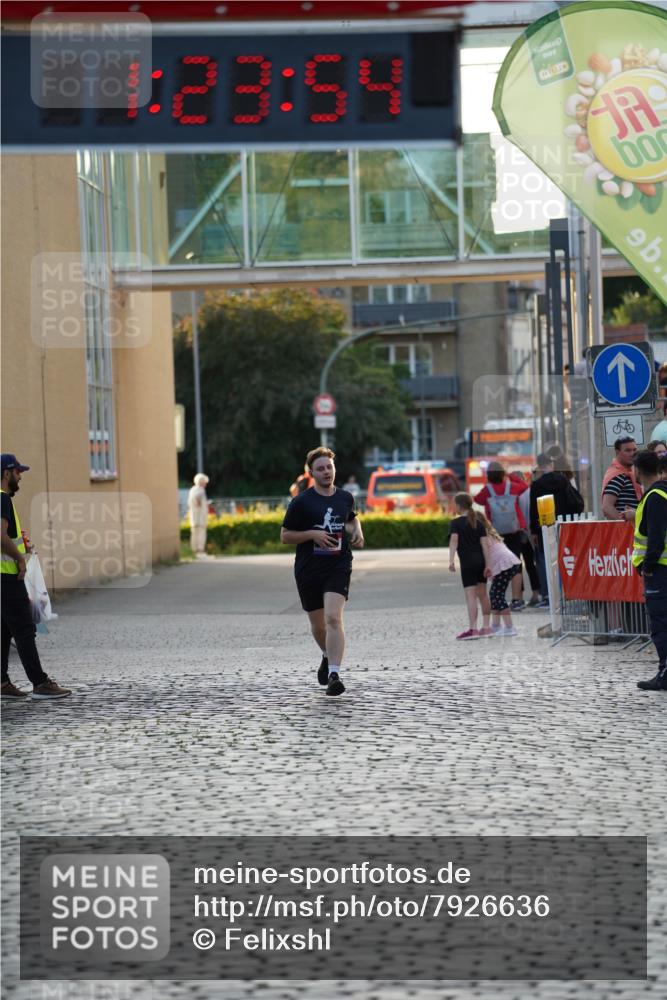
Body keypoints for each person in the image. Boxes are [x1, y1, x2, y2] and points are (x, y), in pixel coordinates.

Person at [280, 447, 364, 697]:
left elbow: (350, 518)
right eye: (320, 468)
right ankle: (327, 655)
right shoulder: (301, 502)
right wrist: (312, 534)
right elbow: (285, 535)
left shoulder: (345, 497)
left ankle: (335, 674)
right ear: (311, 473)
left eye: (329, 467)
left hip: (338, 565)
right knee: (318, 626)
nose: (326, 472)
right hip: (309, 569)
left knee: (333, 618)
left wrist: (358, 528)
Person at [1, 454, 71, 700]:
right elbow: (0, 536)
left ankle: (1, 683)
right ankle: (40, 683)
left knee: (4, 629)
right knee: (24, 628)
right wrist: (20, 559)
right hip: (8, 578)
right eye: (18, 472)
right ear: (7, 473)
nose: (20, 476)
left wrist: (21, 545)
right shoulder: (2, 499)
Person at [473, 461, 533, 610]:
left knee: (498, 562)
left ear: (488, 475)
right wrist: (511, 476)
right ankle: (517, 599)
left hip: (496, 532)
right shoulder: (512, 487)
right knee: (516, 562)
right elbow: (525, 487)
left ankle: (498, 596)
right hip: (514, 530)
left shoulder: (488, 490)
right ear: (502, 474)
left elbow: (477, 499)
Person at [529, 453, 585, 608]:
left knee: (546, 560)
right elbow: (576, 502)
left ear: (539, 466)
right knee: (565, 557)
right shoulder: (563, 480)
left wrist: (534, 530)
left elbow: (534, 510)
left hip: (545, 526)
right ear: (552, 464)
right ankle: (567, 592)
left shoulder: (537, 485)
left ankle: (549, 596)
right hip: (564, 525)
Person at [632, 450, 667, 692]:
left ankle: (664, 673)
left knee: (661, 624)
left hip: (660, 572)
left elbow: (656, 538)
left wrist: (648, 566)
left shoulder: (655, 496)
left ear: (637, 471)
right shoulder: (662, 492)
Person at [448, 493, 493, 640]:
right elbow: (485, 545)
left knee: (471, 596)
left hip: (467, 563)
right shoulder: (478, 523)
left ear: (459, 506)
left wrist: (451, 561)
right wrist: (488, 565)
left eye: (455, 504)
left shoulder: (455, 523)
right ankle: (486, 628)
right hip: (481, 562)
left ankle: (473, 630)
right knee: (483, 595)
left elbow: (454, 541)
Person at [601, 437, 641, 521]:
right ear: (617, 452)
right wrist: (623, 525)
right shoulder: (617, 474)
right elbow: (607, 507)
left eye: (634, 450)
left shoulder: (630, 472)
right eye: (628, 450)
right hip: (626, 531)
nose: (632, 453)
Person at [188, 473, 209, 555]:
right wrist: (199, 504)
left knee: (194, 532)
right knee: (200, 532)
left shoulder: (192, 489)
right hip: (200, 517)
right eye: (204, 482)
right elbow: (197, 499)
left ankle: (194, 549)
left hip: (194, 516)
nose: (205, 484)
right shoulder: (200, 490)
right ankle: (200, 549)